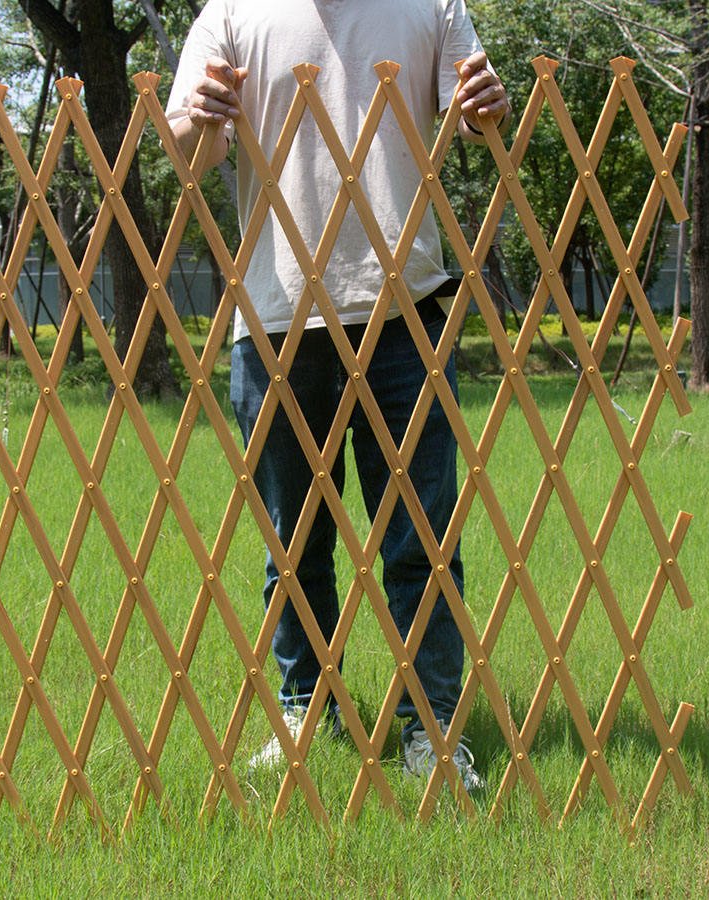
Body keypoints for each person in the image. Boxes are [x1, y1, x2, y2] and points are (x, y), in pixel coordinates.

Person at [167, 0, 509, 790]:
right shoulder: (231, 13)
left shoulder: (432, 5)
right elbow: (188, 152)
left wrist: (486, 106)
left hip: (406, 314)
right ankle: (305, 713)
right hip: (277, 316)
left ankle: (431, 730)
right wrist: (197, 120)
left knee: (423, 542)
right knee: (293, 544)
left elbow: (481, 120)